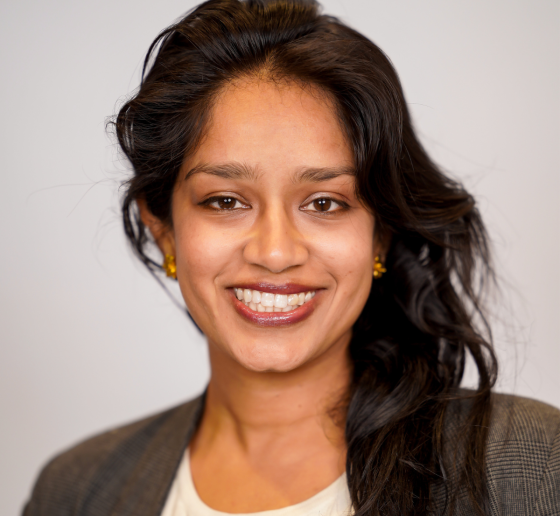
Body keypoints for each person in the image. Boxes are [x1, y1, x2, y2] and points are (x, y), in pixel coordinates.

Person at [22, 0, 559, 515]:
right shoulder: (75, 490)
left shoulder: (530, 465)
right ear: (163, 230)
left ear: (380, 236)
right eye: (226, 201)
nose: (275, 252)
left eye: (324, 203)